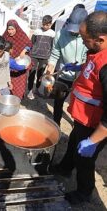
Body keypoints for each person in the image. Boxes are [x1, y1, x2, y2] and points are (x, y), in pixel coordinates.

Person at [50, 11, 107, 205]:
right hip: (83, 117)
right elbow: (93, 71)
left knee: (85, 160)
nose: (82, 42)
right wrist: (81, 68)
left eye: (84, 39)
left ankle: (83, 193)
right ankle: (65, 168)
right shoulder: (96, 51)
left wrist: (93, 140)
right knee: (73, 141)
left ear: (100, 39)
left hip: (95, 124)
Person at [45, 8, 88, 126]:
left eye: (77, 30)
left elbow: (88, 59)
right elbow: (54, 55)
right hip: (64, 75)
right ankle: (56, 125)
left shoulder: (87, 37)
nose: (73, 33)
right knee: (58, 102)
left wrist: (79, 69)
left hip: (82, 77)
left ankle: (76, 125)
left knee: (77, 104)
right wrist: (49, 72)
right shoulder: (60, 35)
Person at [2, 19, 32, 99]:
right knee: (7, 87)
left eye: (12, 29)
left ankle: (16, 101)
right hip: (8, 67)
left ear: (16, 28)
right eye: (9, 29)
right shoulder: (4, 36)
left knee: (19, 88)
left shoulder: (22, 35)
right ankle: (7, 101)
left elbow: (29, 43)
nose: (10, 31)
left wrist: (24, 50)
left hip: (20, 65)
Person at [27, 15, 55, 100]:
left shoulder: (52, 34)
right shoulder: (37, 31)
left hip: (45, 57)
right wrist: (30, 52)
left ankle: (37, 89)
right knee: (32, 73)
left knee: (40, 74)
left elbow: (52, 46)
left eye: (47, 25)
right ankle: (30, 90)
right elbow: (32, 42)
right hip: (34, 55)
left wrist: (50, 58)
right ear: (42, 23)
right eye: (44, 24)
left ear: (50, 24)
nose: (45, 26)